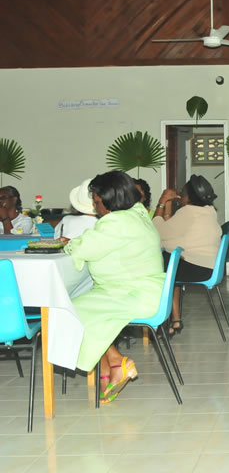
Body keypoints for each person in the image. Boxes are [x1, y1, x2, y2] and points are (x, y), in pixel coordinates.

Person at [63, 171, 165, 403]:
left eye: (97, 202)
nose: (95, 207)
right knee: (85, 306)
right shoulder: (138, 214)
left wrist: (71, 243)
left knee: (67, 310)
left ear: (110, 201)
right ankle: (109, 370)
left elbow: (83, 249)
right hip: (147, 290)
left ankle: (117, 362)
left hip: (134, 295)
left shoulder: (117, 222)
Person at [153, 175, 222, 334]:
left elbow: (157, 232)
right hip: (210, 268)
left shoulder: (189, 212)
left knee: (159, 266)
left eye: (182, 193)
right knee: (171, 261)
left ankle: (160, 322)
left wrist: (162, 202)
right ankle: (175, 320)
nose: (180, 196)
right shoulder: (209, 211)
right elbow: (178, 236)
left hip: (198, 269)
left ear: (189, 197)